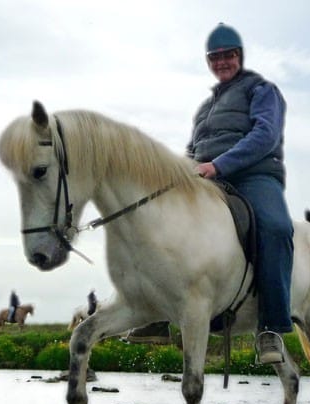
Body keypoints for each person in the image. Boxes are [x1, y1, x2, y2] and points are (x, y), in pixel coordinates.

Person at [125, 23, 293, 364]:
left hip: (254, 175)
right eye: (215, 57)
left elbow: (265, 136)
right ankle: (155, 315)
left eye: (228, 55)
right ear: (208, 62)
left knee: (277, 228)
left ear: (239, 56)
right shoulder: (205, 108)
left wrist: (218, 165)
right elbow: (193, 149)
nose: (222, 62)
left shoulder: (261, 90)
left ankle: (271, 329)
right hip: (206, 177)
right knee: (156, 219)